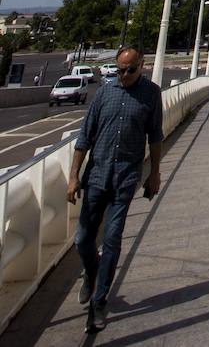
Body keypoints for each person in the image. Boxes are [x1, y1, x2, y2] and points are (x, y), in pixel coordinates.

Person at [67, 44, 163, 330]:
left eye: (130, 70)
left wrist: (154, 172)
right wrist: (73, 176)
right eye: (120, 70)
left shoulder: (151, 94)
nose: (124, 75)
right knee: (83, 239)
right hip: (96, 176)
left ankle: (99, 302)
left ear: (141, 66)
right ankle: (91, 269)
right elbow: (84, 138)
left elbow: (155, 135)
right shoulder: (104, 94)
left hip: (125, 178)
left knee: (111, 239)